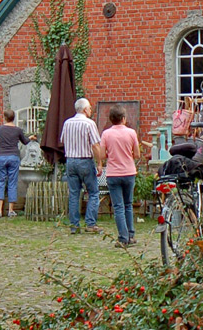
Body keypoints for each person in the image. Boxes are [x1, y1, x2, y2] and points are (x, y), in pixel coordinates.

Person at [60, 97, 105, 233]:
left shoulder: (67, 123)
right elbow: (95, 145)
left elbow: (62, 140)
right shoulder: (89, 123)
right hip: (85, 160)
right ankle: (90, 223)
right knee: (93, 192)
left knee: (74, 194)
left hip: (70, 160)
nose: (91, 110)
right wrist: (99, 163)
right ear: (85, 109)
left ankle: (74, 225)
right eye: (90, 108)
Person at [100, 105, 142, 248]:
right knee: (128, 205)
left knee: (118, 207)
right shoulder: (131, 133)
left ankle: (123, 237)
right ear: (123, 119)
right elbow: (137, 154)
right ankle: (131, 235)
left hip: (113, 173)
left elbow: (101, 154)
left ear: (111, 119)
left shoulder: (106, 134)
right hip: (129, 172)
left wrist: (110, 155)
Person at [0, 109, 30, 218]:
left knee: (1, 182)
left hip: (1, 156)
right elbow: (25, 141)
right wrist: (31, 137)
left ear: (5, 117)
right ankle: (11, 210)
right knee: (12, 183)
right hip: (13, 156)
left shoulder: (0, 129)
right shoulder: (17, 130)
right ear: (14, 118)